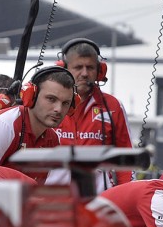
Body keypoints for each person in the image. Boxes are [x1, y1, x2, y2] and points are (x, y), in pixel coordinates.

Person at [54, 38, 135, 191]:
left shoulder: (113, 106)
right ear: (63, 69)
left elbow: (126, 161)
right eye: (78, 67)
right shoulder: (47, 104)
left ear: (99, 71)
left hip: (99, 202)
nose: (84, 74)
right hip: (54, 201)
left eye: (90, 68)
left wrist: (126, 196)